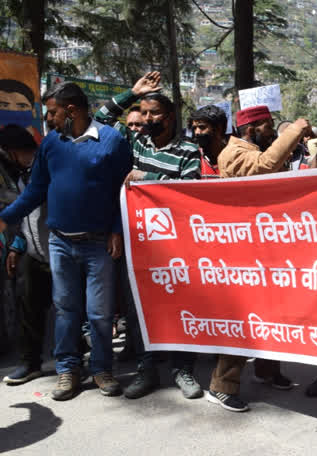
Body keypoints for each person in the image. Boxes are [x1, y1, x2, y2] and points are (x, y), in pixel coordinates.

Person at [0, 82, 130, 400]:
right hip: (59, 243)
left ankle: (101, 369)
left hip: (98, 244)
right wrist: (7, 218)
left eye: (53, 112)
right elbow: (35, 190)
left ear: (72, 110)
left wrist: (116, 229)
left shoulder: (111, 140)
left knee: (99, 314)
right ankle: (67, 370)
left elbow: (124, 190)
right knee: (65, 311)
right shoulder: (50, 144)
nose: (49, 119)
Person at [204, 105, 317, 411]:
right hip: (241, 253)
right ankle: (221, 385)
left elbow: (290, 185)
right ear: (251, 130)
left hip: (266, 249)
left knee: (271, 313)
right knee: (244, 318)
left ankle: (266, 369)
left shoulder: (258, 149)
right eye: (268, 127)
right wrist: (295, 129)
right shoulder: (234, 152)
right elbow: (262, 168)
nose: (273, 131)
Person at [95, 71, 203, 400]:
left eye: (153, 113)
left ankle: (182, 369)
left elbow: (190, 191)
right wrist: (133, 93)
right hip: (138, 244)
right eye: (143, 113)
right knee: (137, 308)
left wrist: (147, 176)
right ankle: (146, 369)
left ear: (168, 118)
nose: (146, 118)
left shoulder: (187, 150)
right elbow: (100, 121)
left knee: (179, 305)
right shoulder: (136, 141)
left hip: (174, 246)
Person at [1, 125, 50, 386]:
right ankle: (30, 364)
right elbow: (27, 219)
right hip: (32, 251)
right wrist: (17, 246)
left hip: (59, 251)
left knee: (68, 311)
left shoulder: (47, 169)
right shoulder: (22, 176)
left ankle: (74, 364)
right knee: (29, 310)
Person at [190, 104, 228, 177]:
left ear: (218, 128)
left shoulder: (235, 157)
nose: (197, 132)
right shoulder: (192, 158)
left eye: (202, 127)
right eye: (194, 128)